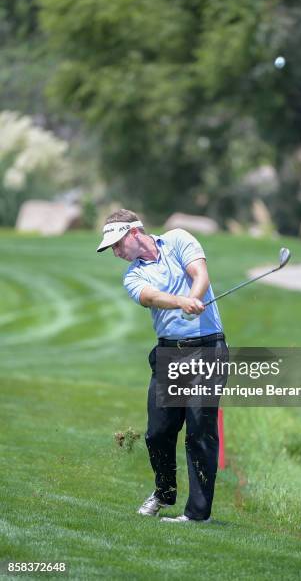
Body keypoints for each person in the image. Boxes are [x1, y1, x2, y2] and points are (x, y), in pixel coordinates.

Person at [97, 209, 227, 523]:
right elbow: (151, 297)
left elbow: (200, 275)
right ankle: (164, 492)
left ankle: (198, 514)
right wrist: (182, 302)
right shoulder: (132, 275)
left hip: (208, 349)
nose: (115, 252)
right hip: (170, 355)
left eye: (117, 244)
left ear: (133, 232)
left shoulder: (178, 239)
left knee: (199, 432)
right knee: (157, 433)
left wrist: (195, 298)